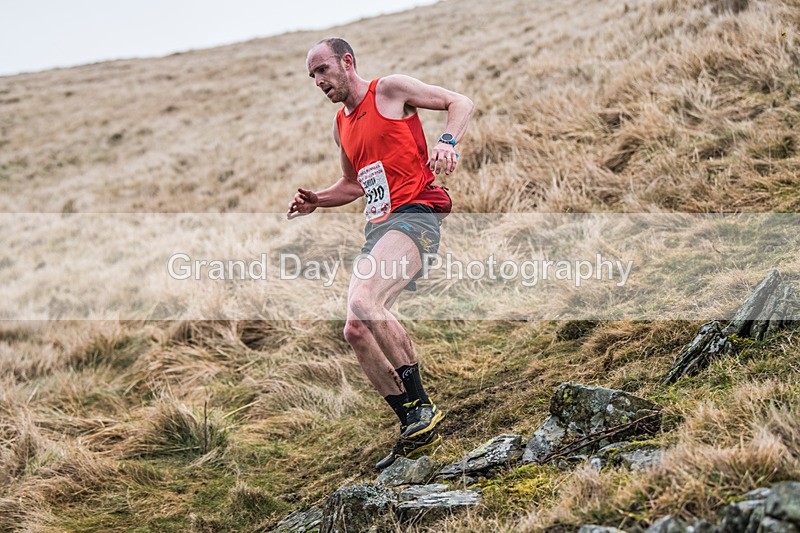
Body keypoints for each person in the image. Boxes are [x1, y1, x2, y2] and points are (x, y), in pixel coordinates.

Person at [287, 38, 474, 470]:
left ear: (346, 62)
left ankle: (424, 407)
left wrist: (447, 141)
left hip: (417, 215)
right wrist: (318, 199)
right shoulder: (341, 124)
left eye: (322, 71)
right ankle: (412, 422)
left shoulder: (389, 90)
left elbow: (459, 102)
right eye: (312, 76)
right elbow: (353, 185)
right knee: (355, 328)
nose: (318, 81)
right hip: (379, 228)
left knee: (362, 301)